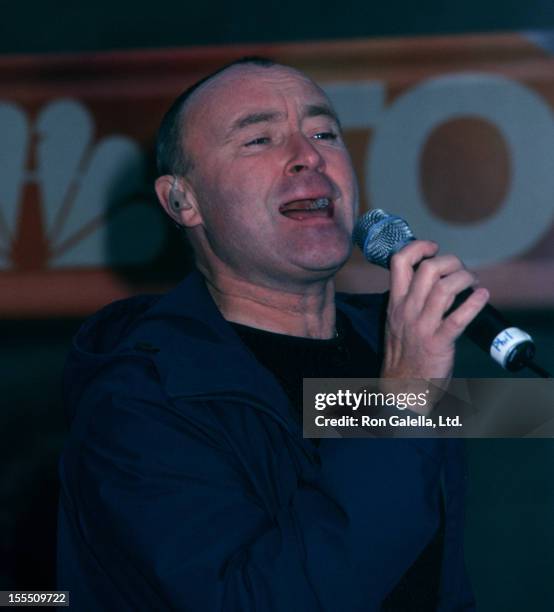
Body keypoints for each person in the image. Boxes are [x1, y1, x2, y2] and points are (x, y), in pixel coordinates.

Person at [57, 57, 489, 610]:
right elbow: (261, 598)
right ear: (181, 200)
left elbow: (521, 419)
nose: (308, 155)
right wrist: (401, 398)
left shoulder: (391, 337)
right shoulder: (139, 398)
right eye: (259, 139)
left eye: (325, 133)